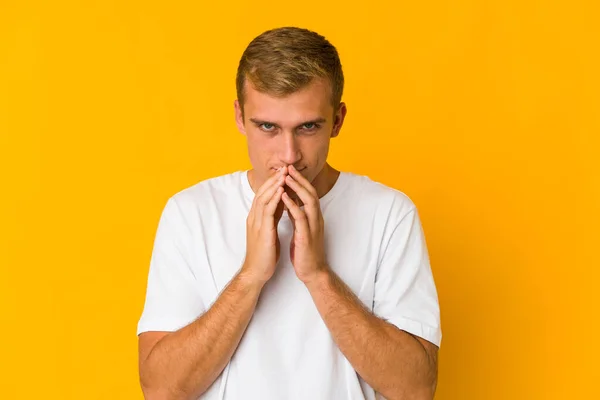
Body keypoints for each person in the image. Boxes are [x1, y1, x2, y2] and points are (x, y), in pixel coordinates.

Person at [136, 26, 442, 400]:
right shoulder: (191, 213)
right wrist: (250, 277)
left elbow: (415, 389)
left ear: (338, 120)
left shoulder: (390, 214)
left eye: (308, 127)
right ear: (238, 116)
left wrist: (318, 275)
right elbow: (161, 389)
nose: (288, 155)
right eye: (267, 127)